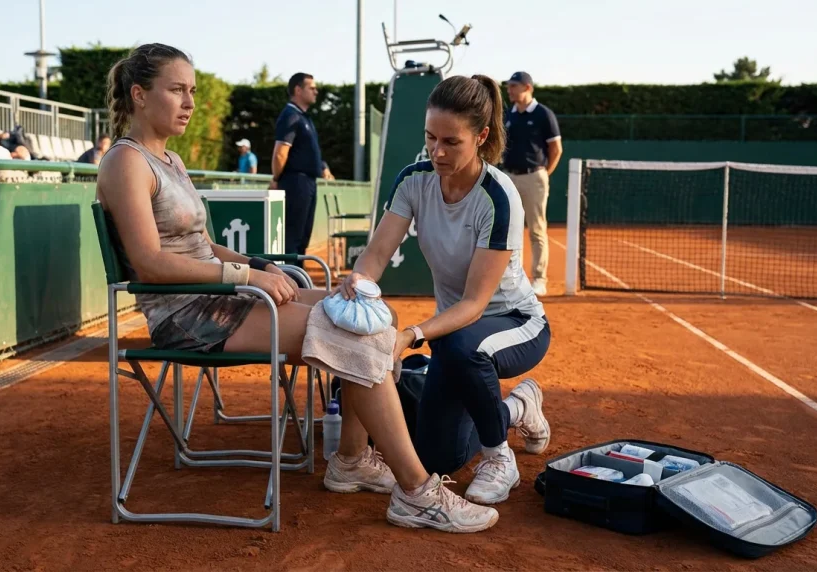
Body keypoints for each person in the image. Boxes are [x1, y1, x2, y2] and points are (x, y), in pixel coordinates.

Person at [96, 43, 498, 534]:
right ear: (139, 95)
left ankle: (351, 459)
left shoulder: (171, 161)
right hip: (188, 316)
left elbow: (205, 246)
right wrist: (248, 279)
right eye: (177, 90)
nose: (190, 102)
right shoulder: (125, 162)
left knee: (373, 314)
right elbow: (150, 263)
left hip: (220, 296)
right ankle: (416, 491)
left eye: (193, 91)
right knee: (351, 334)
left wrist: (262, 265)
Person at [340, 74, 552, 506]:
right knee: (438, 457)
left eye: (451, 142)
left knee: (457, 345)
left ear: (481, 137)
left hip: (515, 323)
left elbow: (475, 304)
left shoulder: (499, 196)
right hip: (456, 333)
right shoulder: (413, 180)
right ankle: (517, 408)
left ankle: (498, 457)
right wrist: (359, 284)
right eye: (430, 138)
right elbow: (376, 254)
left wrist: (410, 336)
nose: (437, 151)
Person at [501, 71, 562, 297]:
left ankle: (539, 279)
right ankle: (510, 278)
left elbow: (556, 149)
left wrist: (543, 173)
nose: (509, 90)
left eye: (514, 86)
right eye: (509, 86)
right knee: (508, 229)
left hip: (534, 177)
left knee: (536, 229)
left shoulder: (543, 114)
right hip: (510, 177)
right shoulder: (510, 115)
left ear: (527, 87)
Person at [268, 73, 334, 266]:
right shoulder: (290, 115)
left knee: (303, 238)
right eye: (311, 87)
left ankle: (299, 282)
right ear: (298, 90)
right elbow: (280, 153)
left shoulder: (304, 117)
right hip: (295, 183)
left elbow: (307, 151)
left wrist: (322, 166)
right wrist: (276, 178)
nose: (316, 91)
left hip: (308, 183)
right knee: (293, 238)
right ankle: (292, 284)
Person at [0, 95, 32, 160]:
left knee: (18, 135)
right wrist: (0, 135)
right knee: (18, 140)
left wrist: (3, 133)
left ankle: (30, 154)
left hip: (2, 137)